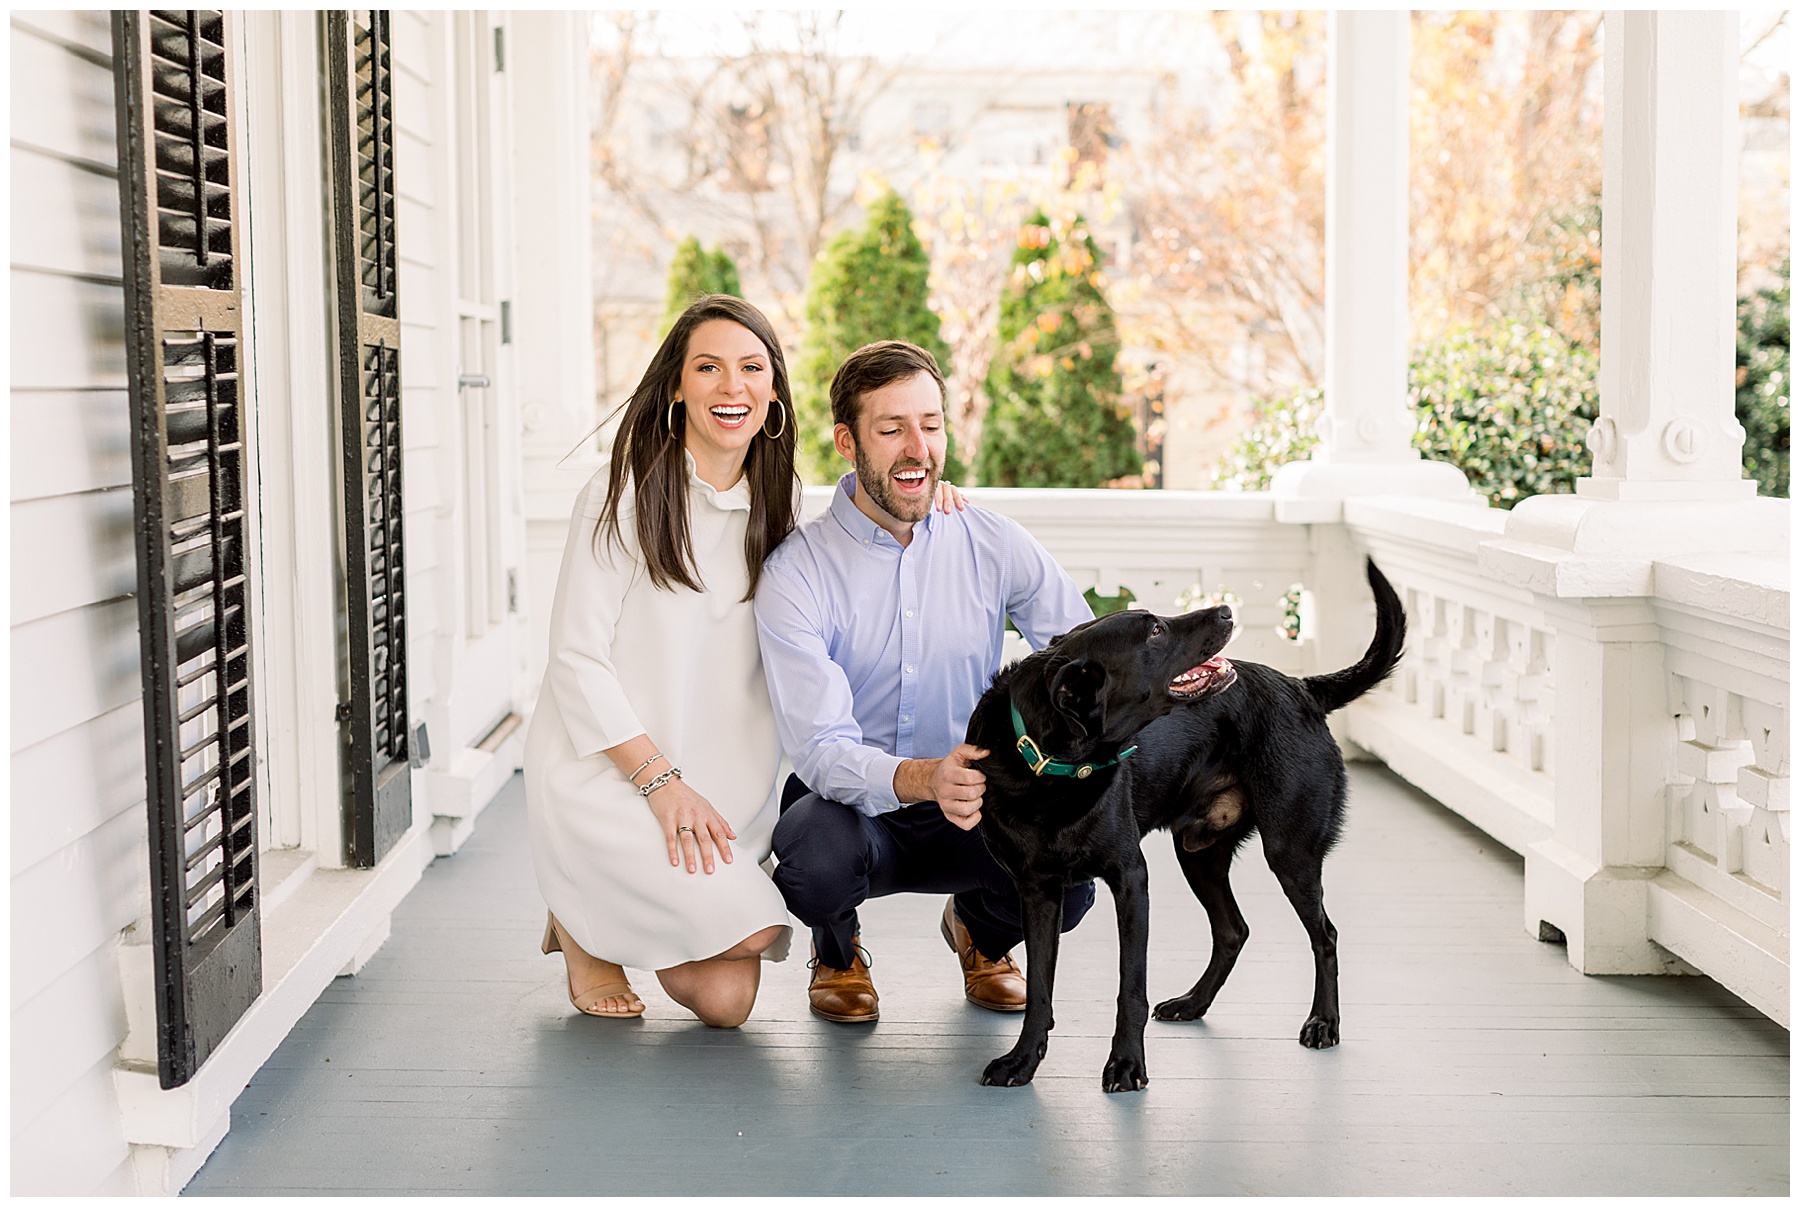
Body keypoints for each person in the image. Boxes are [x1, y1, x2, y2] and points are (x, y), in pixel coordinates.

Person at [525, 298, 964, 1028]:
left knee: (727, 1004)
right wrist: (661, 785)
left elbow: (865, 527)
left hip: (723, 794)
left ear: (773, 395)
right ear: (676, 386)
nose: (732, 387)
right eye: (709, 368)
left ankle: (601, 906)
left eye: (751, 369)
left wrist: (927, 490)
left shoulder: (781, 500)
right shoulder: (618, 495)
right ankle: (579, 918)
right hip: (617, 778)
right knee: (750, 942)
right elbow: (575, 662)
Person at [754, 340, 1100, 1024]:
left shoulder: (990, 539)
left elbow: (1080, 659)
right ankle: (837, 949)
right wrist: (922, 776)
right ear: (848, 442)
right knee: (813, 860)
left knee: (1073, 864)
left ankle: (982, 932)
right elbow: (821, 750)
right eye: (892, 430)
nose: (919, 448)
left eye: (932, 424)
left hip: (976, 800)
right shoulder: (799, 571)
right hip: (851, 807)